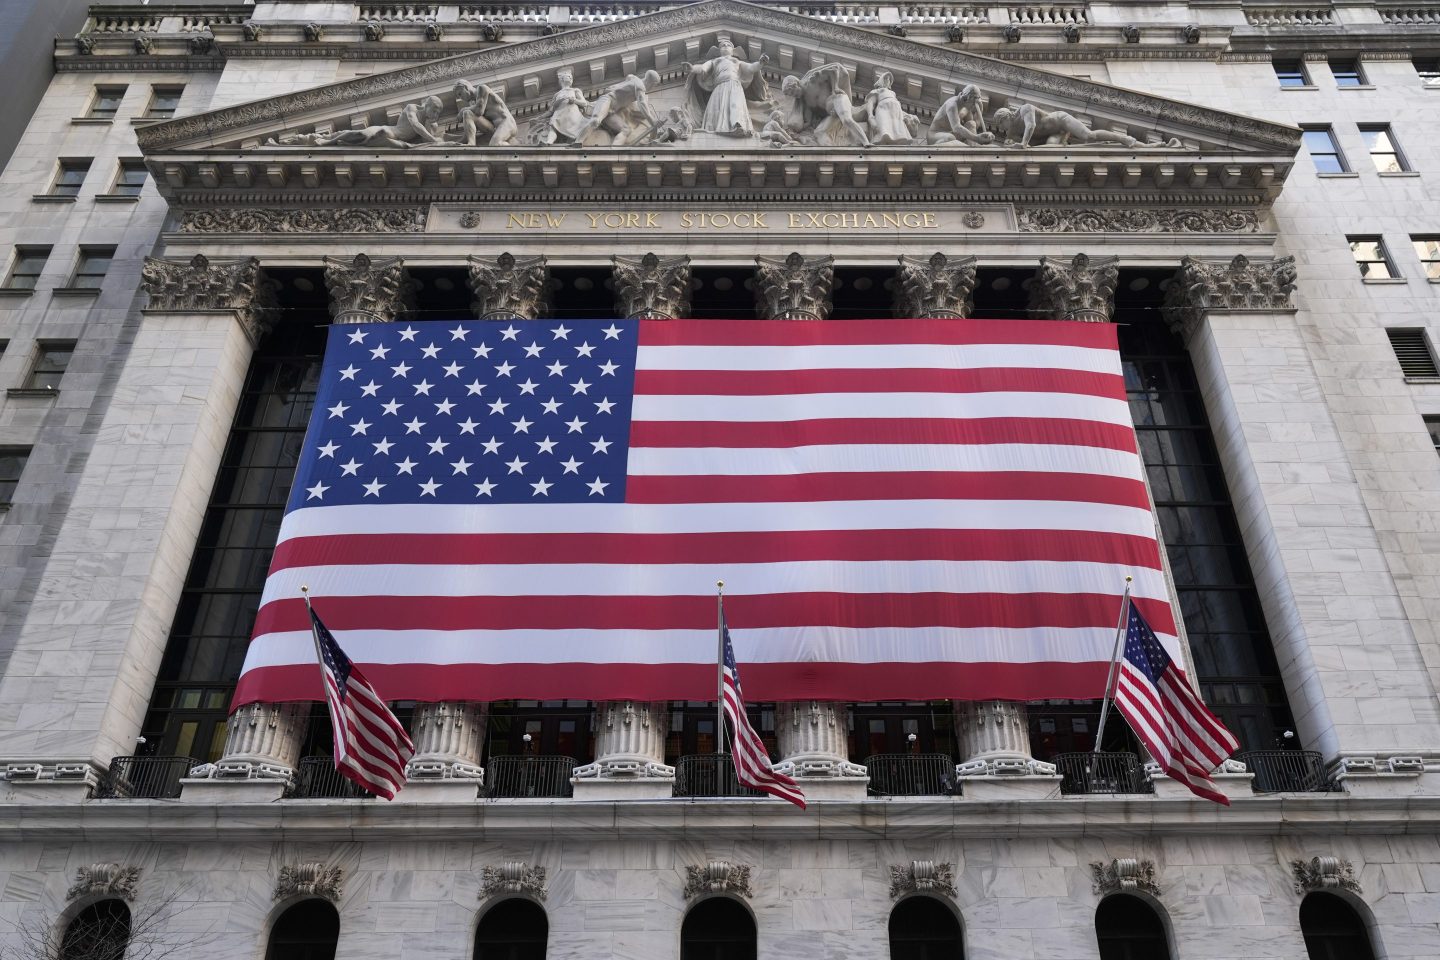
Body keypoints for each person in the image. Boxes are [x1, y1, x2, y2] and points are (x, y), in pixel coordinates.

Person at [269, 96, 444, 149]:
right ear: (427, 105)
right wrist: (433, 140)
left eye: (438, 113)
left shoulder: (430, 124)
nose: (436, 114)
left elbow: (429, 135)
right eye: (435, 110)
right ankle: (326, 141)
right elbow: (416, 127)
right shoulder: (412, 108)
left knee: (353, 139)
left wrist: (434, 136)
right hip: (387, 131)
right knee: (359, 134)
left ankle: (332, 140)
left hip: (391, 141)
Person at [682, 37, 770, 137]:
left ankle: (738, 125)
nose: (725, 46)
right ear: (719, 51)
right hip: (719, 87)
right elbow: (703, 68)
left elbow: (750, 68)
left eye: (728, 45)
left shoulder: (736, 61)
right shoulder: (715, 61)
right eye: (723, 45)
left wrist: (760, 63)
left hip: (734, 86)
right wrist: (692, 68)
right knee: (716, 109)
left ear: (733, 51)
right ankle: (715, 128)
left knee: (735, 104)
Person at [570, 70, 662, 146]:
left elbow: (629, 78)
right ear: (651, 82)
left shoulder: (634, 79)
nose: (652, 87)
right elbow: (643, 106)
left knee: (626, 129)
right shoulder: (640, 86)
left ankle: (615, 150)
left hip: (612, 111)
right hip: (608, 101)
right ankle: (578, 142)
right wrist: (653, 121)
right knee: (596, 120)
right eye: (654, 85)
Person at [529, 67, 592, 145]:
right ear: (561, 79)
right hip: (558, 113)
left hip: (571, 113)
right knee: (553, 127)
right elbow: (551, 110)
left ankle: (576, 142)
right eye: (568, 76)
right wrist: (539, 118)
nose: (570, 78)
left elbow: (584, 103)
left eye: (571, 77)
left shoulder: (575, 90)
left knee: (573, 129)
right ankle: (548, 142)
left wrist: (574, 100)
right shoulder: (557, 94)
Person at [856, 70, 919, 145]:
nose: (887, 80)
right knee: (884, 127)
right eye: (885, 78)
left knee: (897, 127)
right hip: (883, 109)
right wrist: (870, 116)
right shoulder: (877, 91)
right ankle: (883, 140)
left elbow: (898, 108)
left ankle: (898, 140)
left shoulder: (893, 93)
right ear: (881, 80)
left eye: (889, 79)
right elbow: (870, 103)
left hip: (896, 112)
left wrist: (908, 116)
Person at [453, 80, 518, 146]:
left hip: (506, 123)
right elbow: (471, 129)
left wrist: (462, 110)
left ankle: (514, 148)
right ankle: (471, 143)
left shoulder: (482, 88)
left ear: (466, 88)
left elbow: (479, 110)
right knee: (467, 114)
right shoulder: (473, 104)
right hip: (494, 128)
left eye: (460, 94)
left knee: (495, 144)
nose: (461, 98)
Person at [926, 85, 995, 146]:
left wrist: (980, 108)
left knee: (971, 123)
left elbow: (973, 127)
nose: (973, 106)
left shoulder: (966, 107)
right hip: (935, 135)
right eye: (973, 103)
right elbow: (957, 128)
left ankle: (972, 149)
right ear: (965, 99)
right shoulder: (952, 104)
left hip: (952, 134)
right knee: (950, 138)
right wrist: (977, 138)